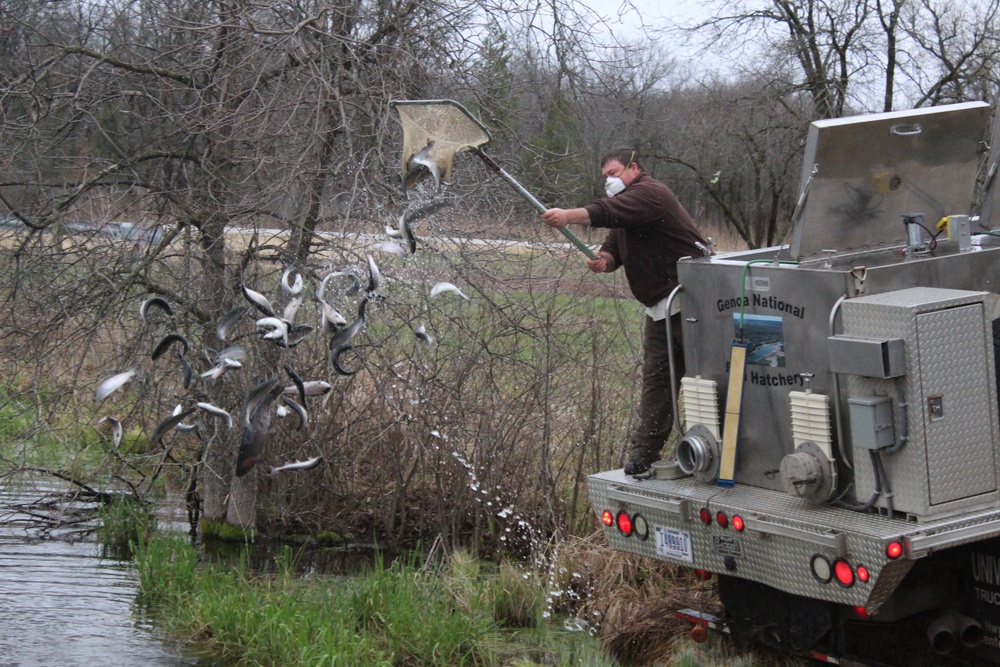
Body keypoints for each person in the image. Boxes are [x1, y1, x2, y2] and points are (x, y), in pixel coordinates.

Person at [541, 148, 707, 476]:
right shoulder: (629, 208)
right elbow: (615, 243)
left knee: (707, 378)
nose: (609, 181)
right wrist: (605, 260)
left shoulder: (651, 194)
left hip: (691, 300)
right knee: (657, 379)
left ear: (633, 168)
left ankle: (716, 445)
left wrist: (567, 216)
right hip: (659, 305)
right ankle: (645, 450)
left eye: (614, 173)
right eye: (605, 177)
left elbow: (608, 211)